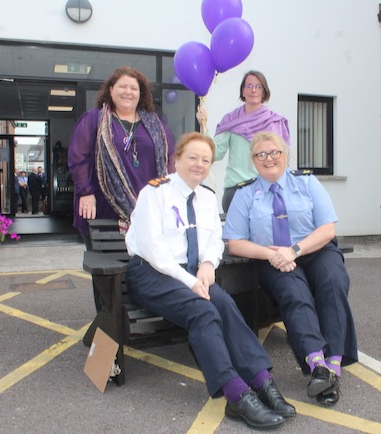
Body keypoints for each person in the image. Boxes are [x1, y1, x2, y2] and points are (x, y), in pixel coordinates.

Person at [125, 132, 294, 429]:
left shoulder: (207, 197)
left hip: (192, 274)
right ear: (176, 160)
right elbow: (153, 249)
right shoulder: (155, 193)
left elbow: (215, 241)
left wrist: (207, 266)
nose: (199, 164)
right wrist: (190, 280)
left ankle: (262, 382)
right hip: (153, 273)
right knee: (202, 311)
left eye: (206, 160)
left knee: (226, 305)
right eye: (192, 157)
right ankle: (237, 396)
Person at [223, 131, 358, 407]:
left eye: (275, 152)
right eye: (261, 154)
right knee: (294, 293)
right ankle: (317, 364)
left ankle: (332, 366)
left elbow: (327, 228)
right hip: (272, 257)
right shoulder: (245, 193)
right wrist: (271, 254)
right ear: (253, 160)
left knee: (333, 282)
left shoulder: (307, 183)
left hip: (313, 249)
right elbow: (234, 243)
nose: (269, 158)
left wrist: (294, 250)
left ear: (286, 156)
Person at [68, 66, 175, 246]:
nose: (128, 92)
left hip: (149, 212)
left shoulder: (157, 124)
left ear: (140, 94)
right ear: (111, 90)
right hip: (104, 209)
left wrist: (171, 193)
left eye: (134, 88)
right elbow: (78, 157)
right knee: (109, 268)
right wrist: (85, 192)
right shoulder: (93, 120)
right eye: (122, 87)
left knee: (145, 269)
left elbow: (170, 158)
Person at [196, 70, 290, 213]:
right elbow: (215, 153)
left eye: (258, 87)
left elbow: (283, 161)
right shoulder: (231, 120)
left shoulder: (274, 122)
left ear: (264, 92)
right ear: (243, 91)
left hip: (266, 191)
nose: (253, 90)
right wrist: (204, 126)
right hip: (236, 191)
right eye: (249, 86)